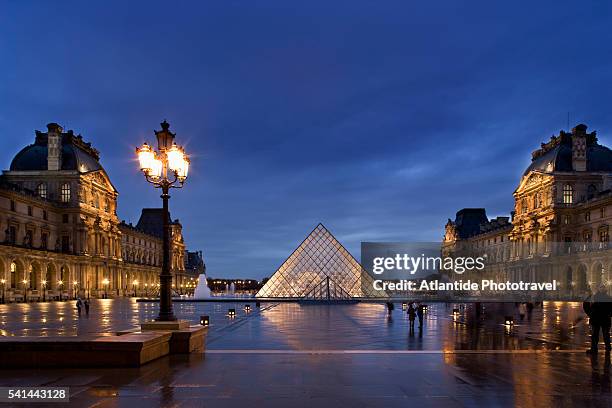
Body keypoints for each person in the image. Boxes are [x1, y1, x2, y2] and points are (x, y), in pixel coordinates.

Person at [584, 285, 612, 353]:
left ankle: (606, 348)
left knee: (604, 335)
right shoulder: (607, 298)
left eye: (603, 288)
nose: (602, 289)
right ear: (599, 289)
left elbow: (586, 304)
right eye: (601, 288)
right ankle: (596, 349)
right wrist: (589, 313)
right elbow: (586, 304)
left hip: (601, 319)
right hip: (599, 319)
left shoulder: (597, 297)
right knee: (595, 335)